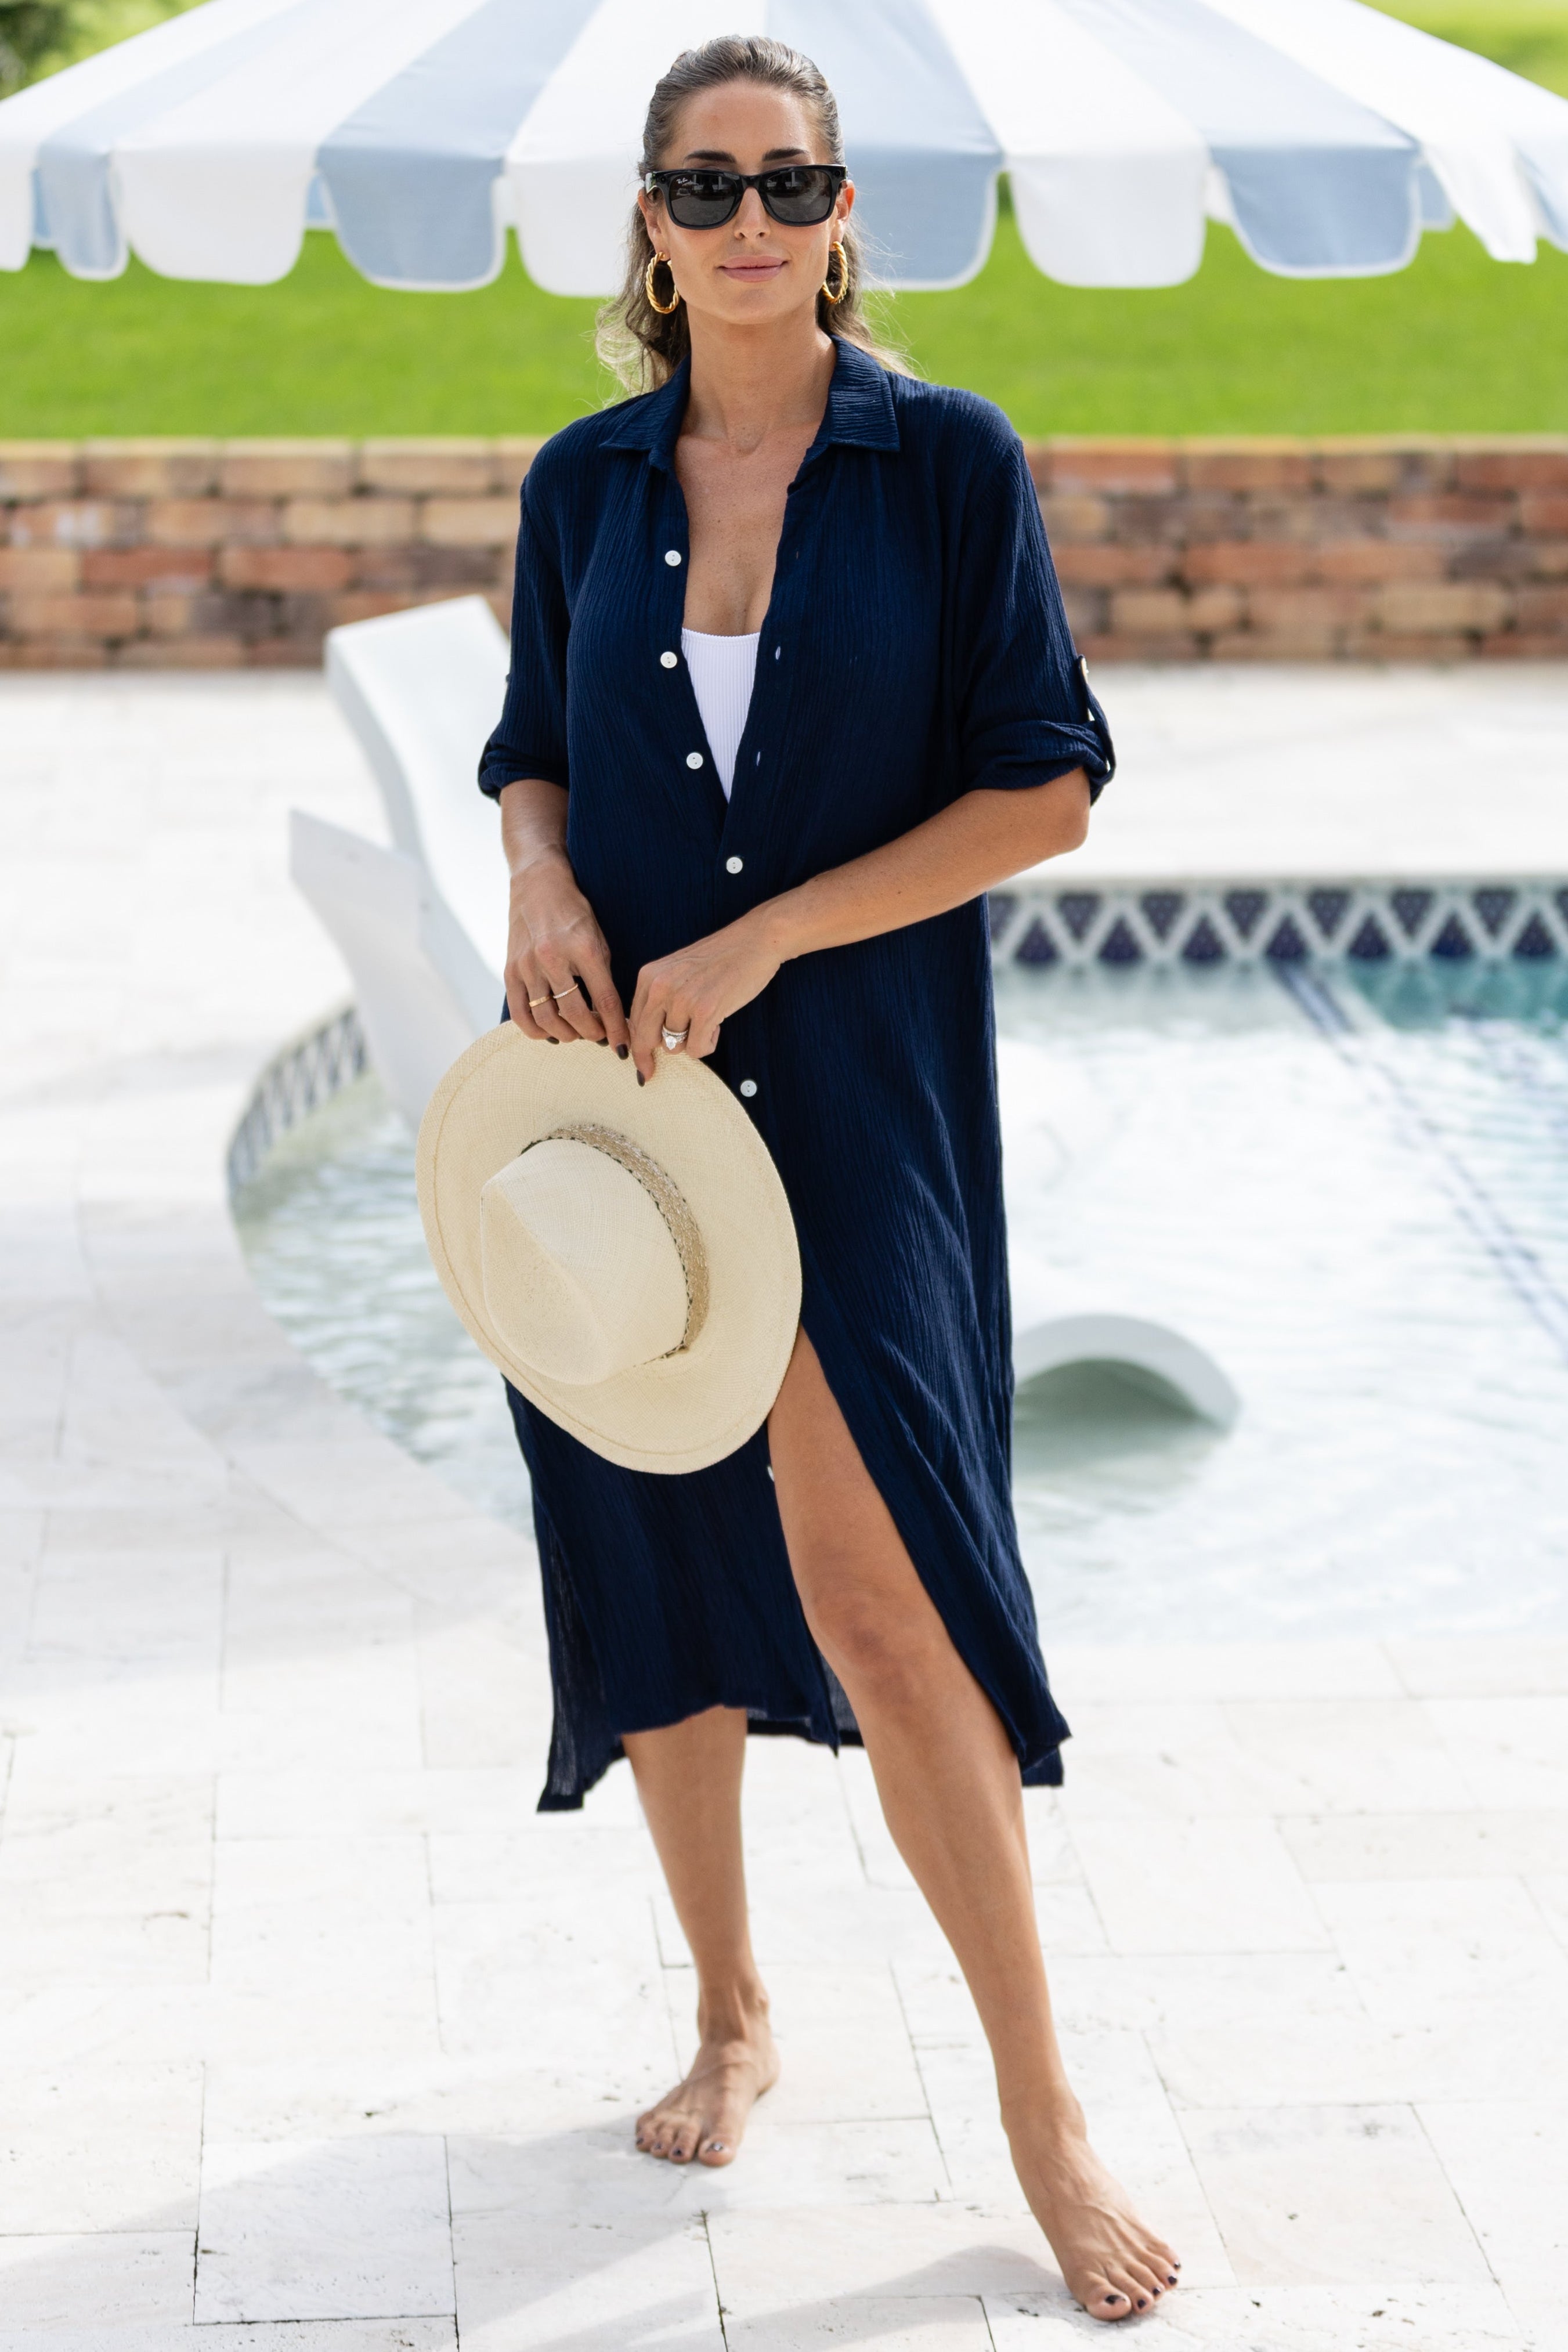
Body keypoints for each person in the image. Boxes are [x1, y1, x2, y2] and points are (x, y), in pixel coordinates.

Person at [479, 34, 1179, 2324]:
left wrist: (771, 931)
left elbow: (1046, 784)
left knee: (894, 1610)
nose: (751, 221)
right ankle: (729, 2014)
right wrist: (538, 880)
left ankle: (1043, 2120)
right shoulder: (584, 484)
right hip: (613, 1120)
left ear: (842, 208)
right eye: (707, 186)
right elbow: (534, 755)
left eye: (790, 182)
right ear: (652, 225)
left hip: (858, 1104)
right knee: (654, 1552)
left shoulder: (945, 463)